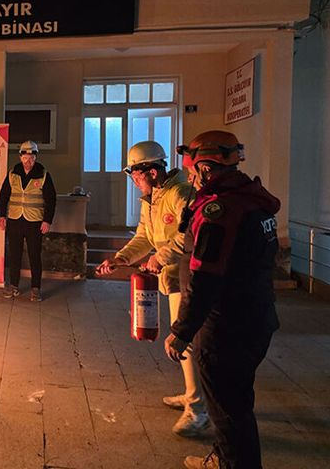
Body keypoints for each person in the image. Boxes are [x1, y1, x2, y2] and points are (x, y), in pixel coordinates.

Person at [165, 130, 280, 469]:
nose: (189, 177)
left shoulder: (220, 212)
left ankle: (234, 463)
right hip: (255, 317)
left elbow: (205, 276)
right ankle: (224, 456)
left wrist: (182, 330)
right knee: (235, 401)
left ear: (206, 168)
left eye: (192, 170)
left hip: (227, 326)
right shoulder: (252, 201)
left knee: (229, 410)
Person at [95, 140, 207, 437]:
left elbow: (191, 237)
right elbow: (145, 236)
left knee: (187, 340)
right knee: (182, 339)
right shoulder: (153, 199)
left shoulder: (180, 194)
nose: (133, 181)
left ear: (153, 171)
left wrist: (160, 257)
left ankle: (198, 408)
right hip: (172, 278)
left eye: (135, 174)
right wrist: (121, 258)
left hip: (189, 277)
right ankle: (192, 392)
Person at [0, 140, 57, 303]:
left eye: (31, 157)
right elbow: (4, 195)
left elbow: (51, 200)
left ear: (36, 157)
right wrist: (1, 215)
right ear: (20, 157)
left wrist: (47, 221)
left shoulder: (43, 174)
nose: (28, 160)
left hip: (35, 222)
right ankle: (14, 286)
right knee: (14, 255)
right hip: (15, 220)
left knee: (34, 256)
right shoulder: (13, 173)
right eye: (25, 157)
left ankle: (35, 289)